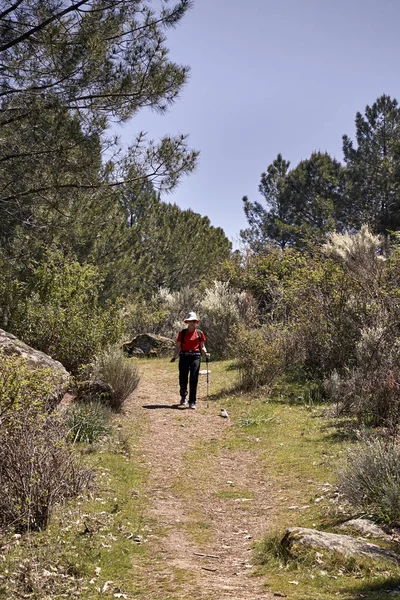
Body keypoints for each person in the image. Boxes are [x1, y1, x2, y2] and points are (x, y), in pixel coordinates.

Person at [170, 311, 210, 409]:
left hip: (195, 357)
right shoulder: (182, 333)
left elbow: (202, 346)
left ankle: (192, 401)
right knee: (183, 378)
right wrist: (174, 356)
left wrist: (206, 353)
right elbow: (178, 346)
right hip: (184, 356)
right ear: (187, 322)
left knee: (194, 379)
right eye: (190, 321)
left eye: (193, 321)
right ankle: (183, 395)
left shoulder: (200, 333)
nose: (191, 322)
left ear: (196, 322)